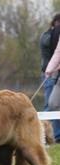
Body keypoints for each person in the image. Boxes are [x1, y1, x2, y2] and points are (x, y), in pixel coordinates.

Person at [40, 13, 60, 143]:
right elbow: (58, 52)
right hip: (55, 75)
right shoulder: (50, 35)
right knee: (52, 104)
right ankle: (48, 137)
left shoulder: (48, 34)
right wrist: (50, 69)